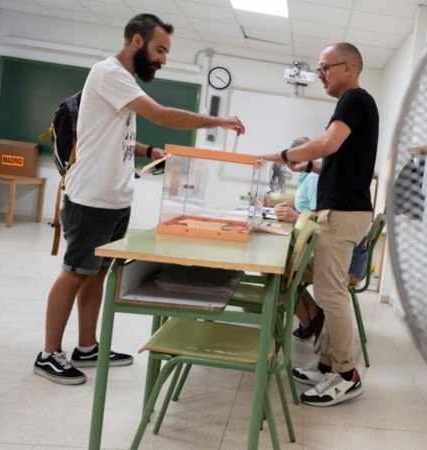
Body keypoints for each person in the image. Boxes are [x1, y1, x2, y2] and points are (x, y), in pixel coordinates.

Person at [33, 13, 246, 385]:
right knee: (73, 274)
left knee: (97, 273)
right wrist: (219, 122)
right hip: (91, 200)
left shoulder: (123, 80)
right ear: (136, 41)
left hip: (115, 199)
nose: (164, 59)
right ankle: (48, 353)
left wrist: (148, 151)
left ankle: (86, 346)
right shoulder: (109, 73)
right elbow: (161, 114)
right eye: (160, 49)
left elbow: (110, 135)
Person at [261, 42, 377, 407]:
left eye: (326, 67)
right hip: (339, 210)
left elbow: (327, 143)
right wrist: (308, 166)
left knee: (330, 294)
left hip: (344, 214)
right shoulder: (354, 105)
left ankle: (346, 374)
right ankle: (327, 363)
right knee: (325, 288)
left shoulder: (354, 99)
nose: (320, 75)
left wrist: (282, 155)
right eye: (319, 69)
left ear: (350, 67)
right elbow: (340, 160)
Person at [273, 137, 369, 344]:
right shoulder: (317, 176)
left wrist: (295, 216)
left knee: (278, 272)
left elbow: (320, 221)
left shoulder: (320, 178)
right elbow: (308, 206)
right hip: (344, 255)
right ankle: (314, 315)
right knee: (282, 269)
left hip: (345, 264)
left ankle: (311, 321)